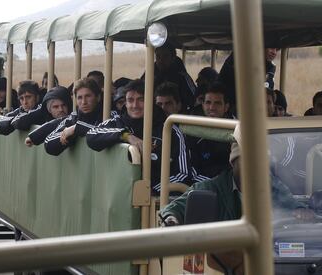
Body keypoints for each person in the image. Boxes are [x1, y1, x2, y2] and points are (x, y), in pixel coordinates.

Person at [160, 124, 314, 274]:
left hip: (272, 262)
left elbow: (292, 206)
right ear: (233, 162)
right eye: (246, 162)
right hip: (225, 265)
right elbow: (173, 210)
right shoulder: (212, 189)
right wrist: (172, 220)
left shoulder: (271, 186)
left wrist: (301, 211)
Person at [86, 79, 191, 195]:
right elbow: (91, 135)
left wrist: (150, 191)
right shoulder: (118, 122)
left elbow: (183, 174)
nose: (135, 105)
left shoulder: (169, 131)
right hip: (118, 197)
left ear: (151, 101)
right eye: (130, 100)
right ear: (125, 102)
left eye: (141, 100)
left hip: (154, 202)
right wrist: (126, 136)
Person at [44, 77, 103, 156]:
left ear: (98, 97)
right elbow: (48, 143)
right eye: (79, 98)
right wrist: (69, 135)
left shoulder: (109, 114)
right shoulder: (74, 117)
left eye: (88, 96)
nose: (83, 102)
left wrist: (76, 129)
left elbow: (103, 133)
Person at [187, 82, 232, 182]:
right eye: (208, 103)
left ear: (226, 107)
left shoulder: (237, 132)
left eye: (217, 103)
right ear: (202, 105)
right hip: (202, 187)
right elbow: (191, 169)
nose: (212, 107)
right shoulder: (193, 132)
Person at [219, 48, 278, 115]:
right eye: (271, 48)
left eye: (276, 49)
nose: (274, 53)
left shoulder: (269, 69)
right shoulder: (235, 64)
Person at [141, 42, 196, 112]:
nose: (161, 60)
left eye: (165, 56)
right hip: (152, 114)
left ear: (173, 58)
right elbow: (140, 91)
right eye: (158, 56)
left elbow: (193, 98)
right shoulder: (150, 73)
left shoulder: (182, 76)